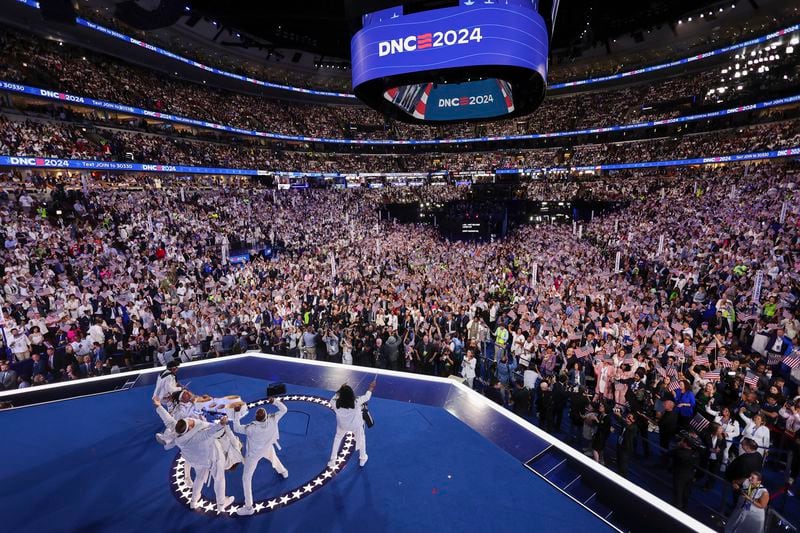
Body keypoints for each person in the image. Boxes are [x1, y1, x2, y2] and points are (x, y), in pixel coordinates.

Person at [233, 398, 289, 516]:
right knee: (274, 458)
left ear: (256, 418)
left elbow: (236, 428)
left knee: (246, 479)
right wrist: (274, 401)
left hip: (253, 455)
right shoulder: (273, 419)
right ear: (266, 416)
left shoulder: (250, 428)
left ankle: (249, 508)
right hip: (267, 447)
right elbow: (284, 409)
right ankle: (283, 472)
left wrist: (236, 413)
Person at [328, 380, 375, 469]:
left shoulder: (334, 402)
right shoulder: (356, 402)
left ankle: (332, 460)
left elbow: (336, 396)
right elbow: (367, 397)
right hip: (356, 426)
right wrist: (371, 387)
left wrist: (341, 389)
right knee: (361, 439)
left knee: (337, 439)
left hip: (342, 425)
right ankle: (362, 458)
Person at [616, 412, 639, 477]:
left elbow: (626, 426)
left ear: (634, 420)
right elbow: (620, 421)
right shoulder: (625, 424)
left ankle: (623, 477)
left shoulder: (634, 427)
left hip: (626, 448)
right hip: (620, 445)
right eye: (627, 417)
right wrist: (618, 416)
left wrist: (620, 417)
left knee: (623, 464)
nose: (627, 419)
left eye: (629, 418)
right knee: (619, 461)